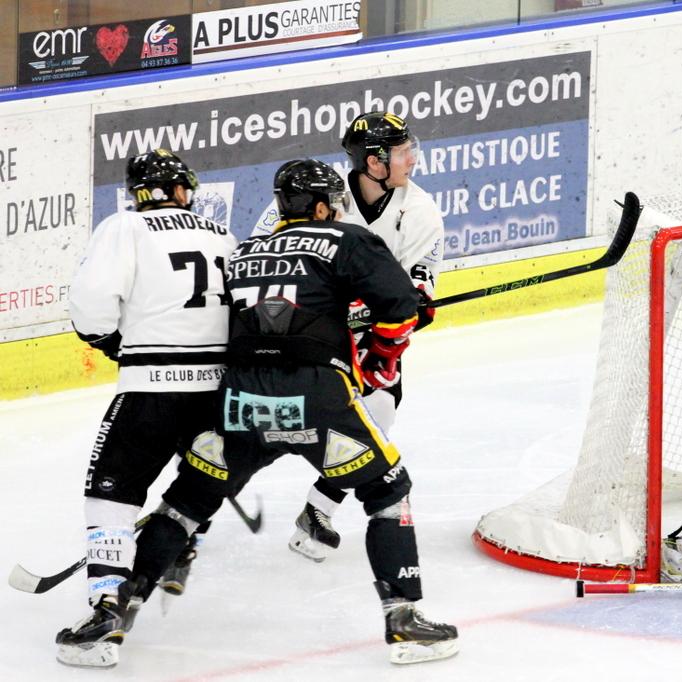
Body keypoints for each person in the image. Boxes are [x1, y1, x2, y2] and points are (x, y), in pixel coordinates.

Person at [62, 158, 458, 667]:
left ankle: (120, 608)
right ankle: (404, 620)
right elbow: (401, 309)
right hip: (315, 400)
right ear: (322, 207)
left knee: (187, 501)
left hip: (240, 401)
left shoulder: (246, 251)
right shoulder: (346, 239)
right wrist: (380, 354)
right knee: (388, 491)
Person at [56, 149, 236, 668]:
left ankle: (106, 608)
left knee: (110, 491)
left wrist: (113, 342)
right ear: (181, 189)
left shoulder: (125, 228)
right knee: (197, 479)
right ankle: (180, 543)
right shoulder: (222, 234)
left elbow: (91, 307)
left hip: (151, 389)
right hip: (217, 393)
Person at [288, 111, 445, 562]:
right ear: (374, 162)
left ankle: (317, 510)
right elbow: (275, 258)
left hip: (369, 338)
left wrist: (408, 307)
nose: (412, 159)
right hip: (304, 330)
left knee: (378, 413)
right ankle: (188, 517)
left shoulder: (421, 212)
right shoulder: (318, 196)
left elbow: (414, 297)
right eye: (402, 152)